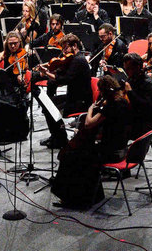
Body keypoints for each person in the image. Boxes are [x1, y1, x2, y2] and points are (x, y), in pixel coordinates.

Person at [52, 75, 132, 208]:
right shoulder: (123, 102)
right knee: (79, 152)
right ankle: (92, 195)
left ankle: (73, 199)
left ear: (103, 91)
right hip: (122, 147)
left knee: (70, 156)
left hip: (110, 152)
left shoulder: (110, 106)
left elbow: (89, 123)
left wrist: (90, 109)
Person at [38, 34, 93, 149]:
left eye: (66, 48)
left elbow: (65, 79)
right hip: (73, 97)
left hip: (80, 101)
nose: (63, 52)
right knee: (47, 104)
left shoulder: (79, 60)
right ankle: (57, 136)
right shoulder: (74, 59)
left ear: (75, 46)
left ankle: (60, 138)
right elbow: (62, 75)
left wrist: (47, 73)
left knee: (49, 108)